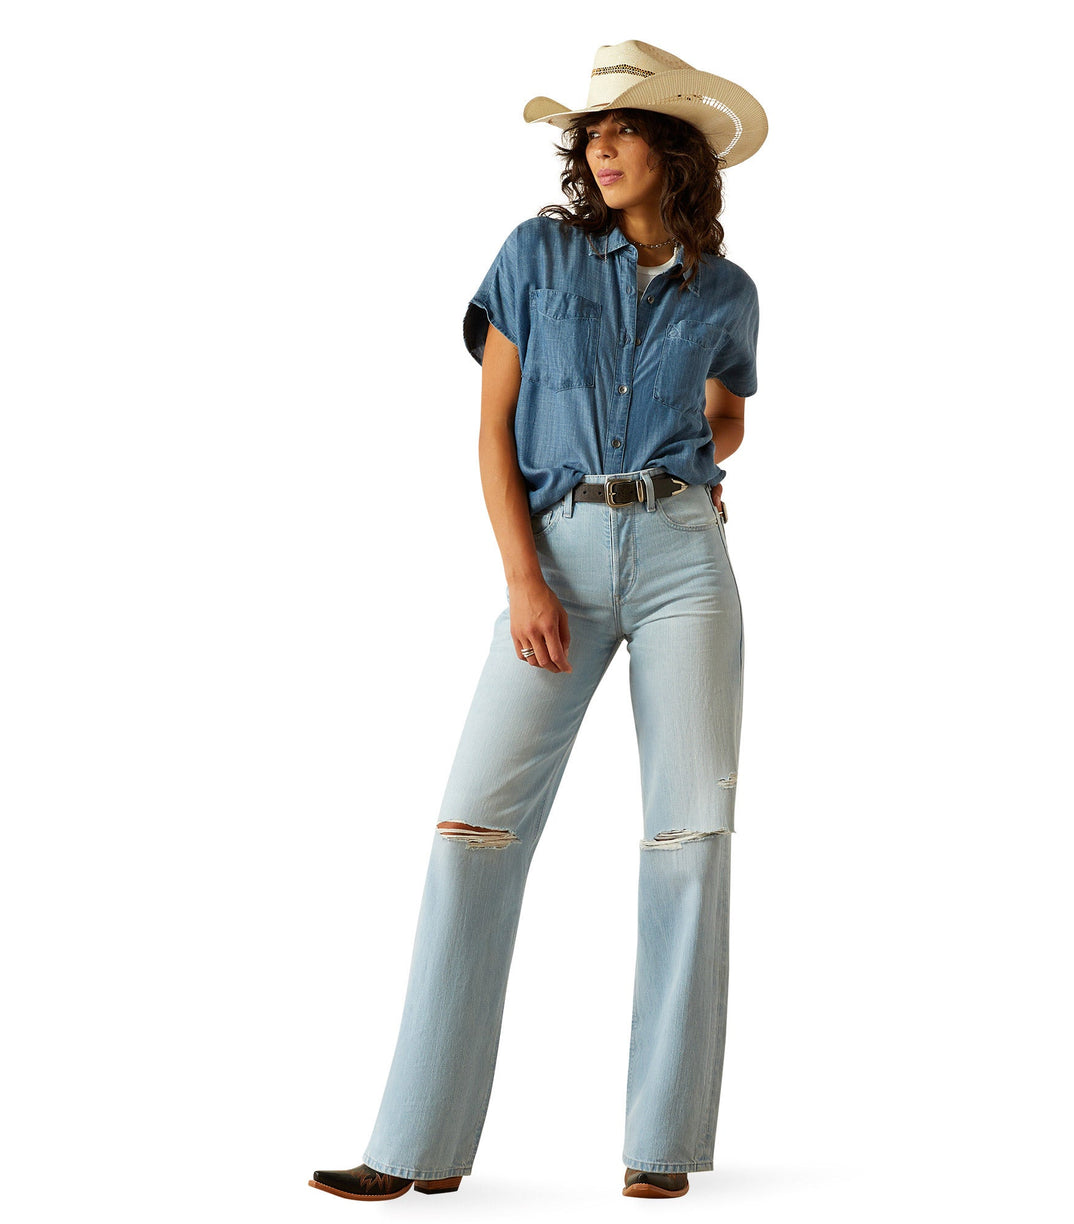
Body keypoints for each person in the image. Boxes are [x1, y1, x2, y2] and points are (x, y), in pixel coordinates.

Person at [309, 39, 766, 1202]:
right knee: (475, 830)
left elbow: (727, 414)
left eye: (622, 131)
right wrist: (523, 578)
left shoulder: (727, 290)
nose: (601, 148)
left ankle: (660, 1141)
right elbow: (492, 430)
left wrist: (695, 467)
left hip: (683, 563)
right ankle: (413, 1146)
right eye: (590, 136)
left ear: (676, 152)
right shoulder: (536, 257)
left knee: (689, 841)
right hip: (555, 556)